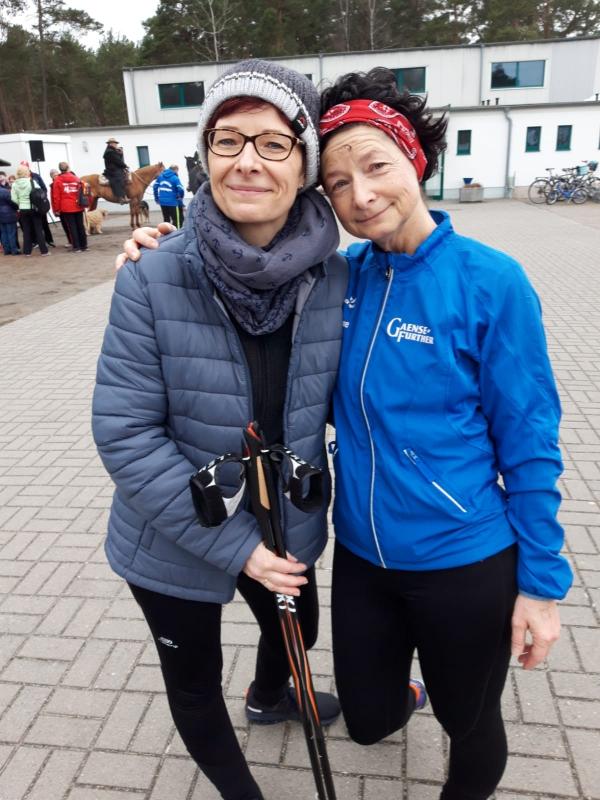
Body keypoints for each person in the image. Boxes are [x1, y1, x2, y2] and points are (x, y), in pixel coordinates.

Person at [121, 66, 572, 800]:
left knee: (470, 722)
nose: (360, 196)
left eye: (377, 167)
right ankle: (401, 694)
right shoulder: (338, 276)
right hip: (363, 557)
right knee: (366, 720)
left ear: (415, 162)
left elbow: (531, 445)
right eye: (337, 182)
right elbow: (246, 280)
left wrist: (542, 587)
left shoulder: (492, 282)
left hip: (463, 556)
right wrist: (162, 246)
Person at [92, 59, 345, 800]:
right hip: (171, 530)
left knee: (298, 630)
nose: (247, 161)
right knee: (195, 681)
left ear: (305, 162)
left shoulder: (339, 277)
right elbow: (125, 432)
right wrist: (237, 550)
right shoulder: (152, 273)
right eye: (227, 140)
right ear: (205, 153)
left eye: (273, 143)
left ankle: (271, 696)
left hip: (285, 517)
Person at [11, 164, 49, 256]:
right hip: (33, 208)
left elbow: (13, 198)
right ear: (26, 172)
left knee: (26, 230)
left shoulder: (14, 184)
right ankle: (44, 251)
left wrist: (20, 203)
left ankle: (27, 252)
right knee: (38, 229)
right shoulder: (32, 182)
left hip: (23, 209)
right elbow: (40, 194)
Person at [50, 161, 87, 252]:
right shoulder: (76, 178)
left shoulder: (57, 180)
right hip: (78, 205)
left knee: (72, 227)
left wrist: (57, 209)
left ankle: (76, 247)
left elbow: (56, 197)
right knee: (80, 226)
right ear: (68, 168)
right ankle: (84, 246)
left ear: (60, 169)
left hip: (66, 207)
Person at [50, 167, 72, 247]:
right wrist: (55, 210)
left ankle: (72, 241)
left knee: (68, 225)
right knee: (66, 226)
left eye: (56, 175)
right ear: (51, 177)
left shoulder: (59, 183)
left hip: (64, 207)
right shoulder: (53, 185)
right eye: (54, 176)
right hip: (61, 208)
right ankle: (70, 240)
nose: (56, 177)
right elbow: (53, 199)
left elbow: (57, 197)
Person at [103, 137, 128, 202]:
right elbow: (117, 161)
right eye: (115, 143)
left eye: (116, 143)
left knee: (124, 176)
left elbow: (118, 159)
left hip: (116, 169)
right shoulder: (110, 152)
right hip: (112, 170)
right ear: (110, 144)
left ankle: (125, 196)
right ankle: (120, 198)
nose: (116, 144)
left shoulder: (113, 151)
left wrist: (120, 153)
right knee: (118, 179)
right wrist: (125, 166)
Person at [0, 176, 19, 255]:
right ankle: (14, 250)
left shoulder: (4, 191)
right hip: (9, 214)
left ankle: (7, 250)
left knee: (3, 233)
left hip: (1, 215)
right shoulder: (5, 191)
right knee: (11, 233)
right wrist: (17, 207)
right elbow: (12, 202)